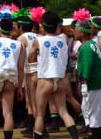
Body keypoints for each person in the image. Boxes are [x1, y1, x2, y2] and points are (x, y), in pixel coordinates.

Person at [29, 11, 78, 139]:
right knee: (63, 111)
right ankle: (75, 137)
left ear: (43, 26)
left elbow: (30, 59)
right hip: (60, 80)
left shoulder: (38, 40)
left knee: (40, 114)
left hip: (45, 80)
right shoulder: (63, 39)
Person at [75, 20, 101, 139]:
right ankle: (94, 133)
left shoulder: (86, 46)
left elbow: (87, 65)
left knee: (92, 109)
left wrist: (84, 81)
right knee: (88, 107)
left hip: (91, 81)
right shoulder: (91, 44)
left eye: (76, 29)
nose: (74, 31)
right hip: (95, 80)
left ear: (82, 33)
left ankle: (96, 135)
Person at [16, 16, 37, 138]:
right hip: (40, 72)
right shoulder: (38, 36)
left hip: (28, 71)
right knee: (34, 101)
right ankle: (31, 127)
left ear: (21, 27)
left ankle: (36, 128)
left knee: (30, 101)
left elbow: (19, 59)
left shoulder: (21, 39)